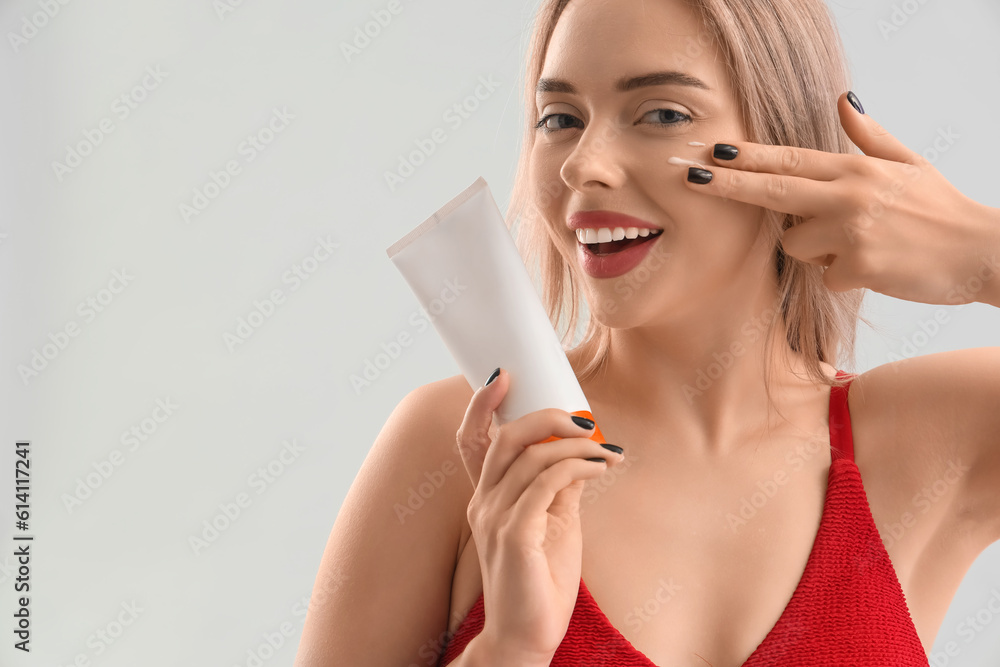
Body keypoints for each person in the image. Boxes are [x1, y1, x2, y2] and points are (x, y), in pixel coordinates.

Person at [294, 0, 1000, 665]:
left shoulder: (935, 432)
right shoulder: (466, 445)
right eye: (559, 118)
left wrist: (980, 252)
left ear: (785, 140)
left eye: (661, 112)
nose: (583, 164)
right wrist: (507, 647)